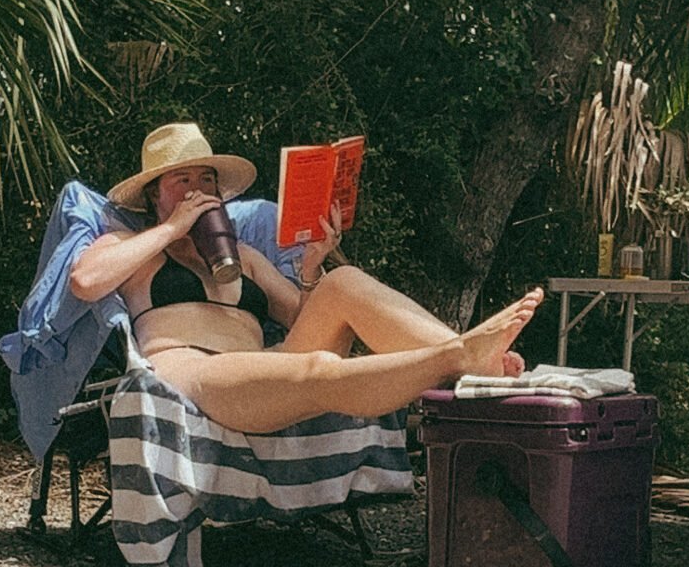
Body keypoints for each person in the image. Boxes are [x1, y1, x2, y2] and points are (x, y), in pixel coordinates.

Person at [70, 123, 542, 434]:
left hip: (263, 372)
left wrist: (314, 266)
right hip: (197, 372)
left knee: (343, 282)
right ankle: (456, 356)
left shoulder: (246, 256)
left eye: (207, 180)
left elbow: (304, 316)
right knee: (318, 370)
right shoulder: (130, 248)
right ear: (155, 196)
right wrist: (171, 230)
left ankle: (468, 361)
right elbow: (85, 282)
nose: (199, 191)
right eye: (183, 182)